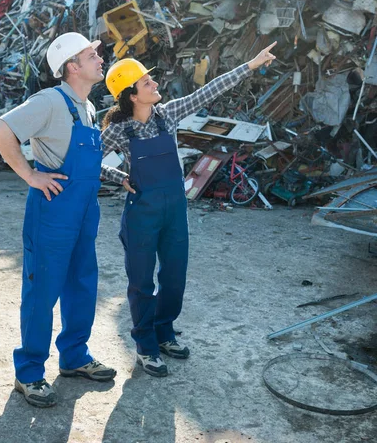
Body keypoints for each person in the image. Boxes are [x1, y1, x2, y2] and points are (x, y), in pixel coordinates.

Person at [101, 42, 277, 377]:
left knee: (174, 276)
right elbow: (88, 160)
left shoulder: (168, 114)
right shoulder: (118, 131)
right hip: (142, 212)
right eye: (146, 83)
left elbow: (211, 89)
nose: (155, 84)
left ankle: (165, 333)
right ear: (132, 95)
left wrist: (251, 65)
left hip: (174, 210)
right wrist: (116, 175)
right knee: (142, 282)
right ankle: (145, 346)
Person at [0, 33, 129, 408]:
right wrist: (30, 175)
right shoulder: (51, 101)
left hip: (83, 212)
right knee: (42, 290)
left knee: (82, 284)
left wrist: (121, 178)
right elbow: (0, 131)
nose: (100, 58)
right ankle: (30, 372)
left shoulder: (88, 108)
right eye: (91, 54)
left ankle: (74, 357)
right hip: (52, 213)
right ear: (72, 66)